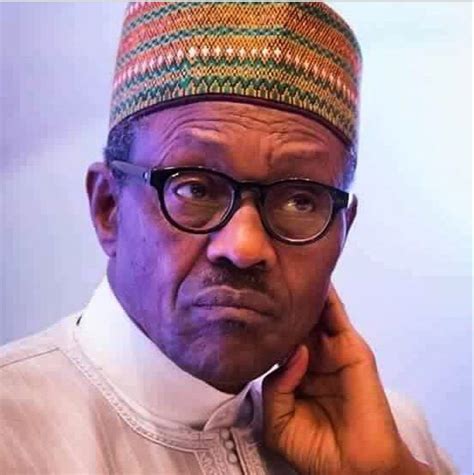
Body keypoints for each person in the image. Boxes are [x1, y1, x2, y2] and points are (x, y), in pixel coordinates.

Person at [0, 3, 456, 474]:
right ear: (108, 208)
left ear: (342, 233)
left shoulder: (392, 440)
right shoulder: (14, 431)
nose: (244, 248)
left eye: (300, 201)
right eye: (195, 189)